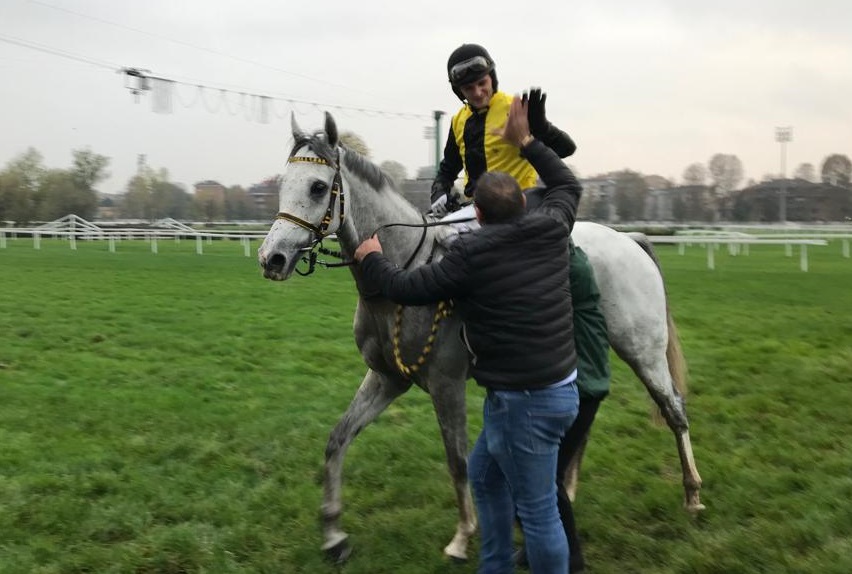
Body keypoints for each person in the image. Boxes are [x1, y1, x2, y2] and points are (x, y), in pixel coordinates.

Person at [355, 96, 581, 574]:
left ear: (475, 215)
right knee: (482, 474)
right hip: (551, 390)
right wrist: (527, 142)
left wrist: (371, 256)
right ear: (525, 202)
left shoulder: (470, 255)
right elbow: (565, 181)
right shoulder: (552, 223)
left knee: (538, 512)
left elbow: (402, 287)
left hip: (526, 401)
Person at [432, 43, 612, 574]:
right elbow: (447, 167)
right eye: (467, 86)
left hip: (528, 206)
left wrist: (541, 126)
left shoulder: (513, 104)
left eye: (481, 81)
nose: (476, 90)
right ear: (458, 91)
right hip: (477, 209)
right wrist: (442, 190)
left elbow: (567, 149)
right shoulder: (461, 120)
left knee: (483, 268)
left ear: (492, 77)